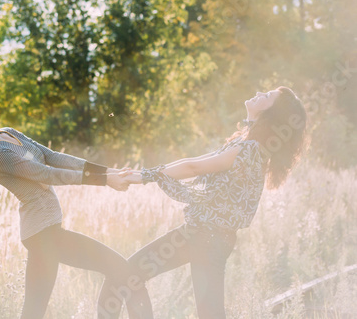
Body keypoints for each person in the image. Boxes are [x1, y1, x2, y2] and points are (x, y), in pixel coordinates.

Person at [109, 86, 308, 318]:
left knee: (129, 275)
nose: (258, 92)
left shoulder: (250, 149)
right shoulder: (247, 143)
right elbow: (196, 161)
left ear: (271, 114)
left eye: (266, 96)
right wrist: (144, 174)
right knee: (206, 312)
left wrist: (144, 176)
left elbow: (194, 167)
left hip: (206, 237)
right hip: (207, 236)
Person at [0, 109, 136, 319]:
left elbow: (52, 157)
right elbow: (46, 174)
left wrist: (109, 172)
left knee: (33, 313)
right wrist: (105, 181)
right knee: (119, 267)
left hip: (44, 233)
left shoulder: (8, 133)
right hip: (43, 236)